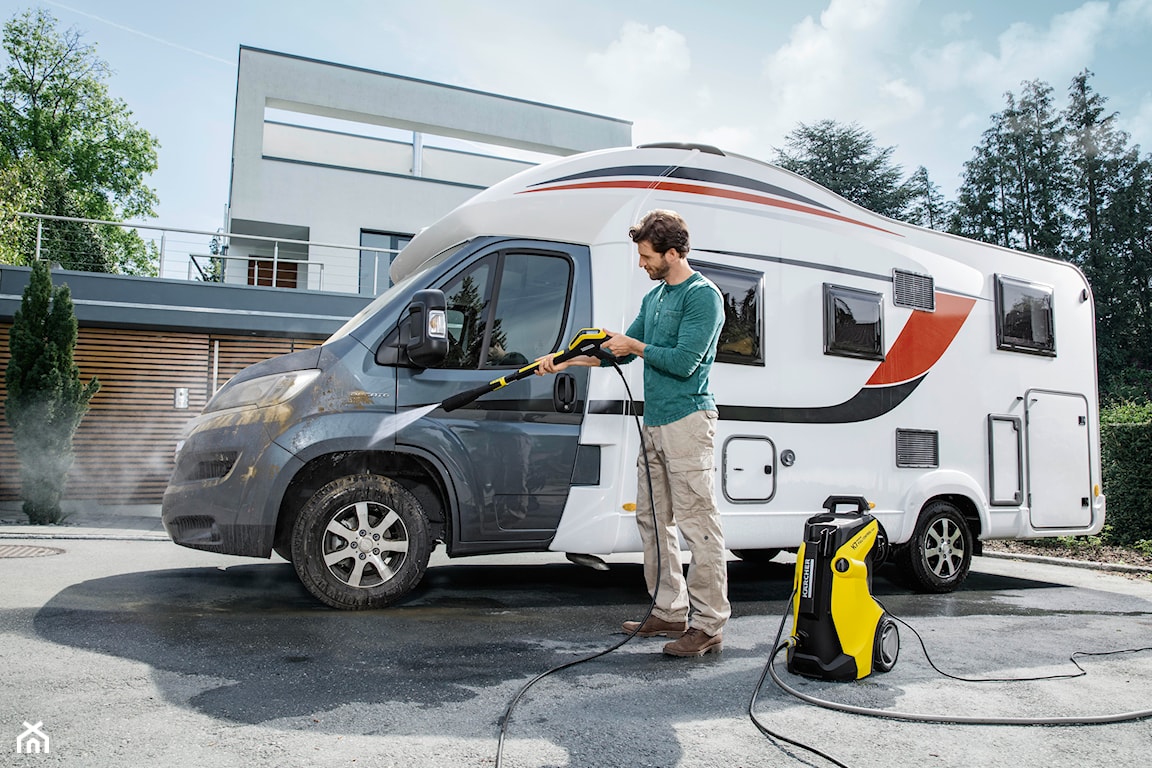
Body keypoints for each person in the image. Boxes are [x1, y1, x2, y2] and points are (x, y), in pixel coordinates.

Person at [536, 209, 730, 657]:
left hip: (688, 422)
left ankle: (709, 624)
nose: (642, 264)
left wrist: (634, 345)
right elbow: (617, 355)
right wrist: (566, 359)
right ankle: (668, 610)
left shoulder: (703, 297)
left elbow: (683, 362)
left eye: (646, 257)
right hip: (656, 423)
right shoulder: (656, 297)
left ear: (673, 253)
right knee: (652, 519)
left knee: (699, 525)